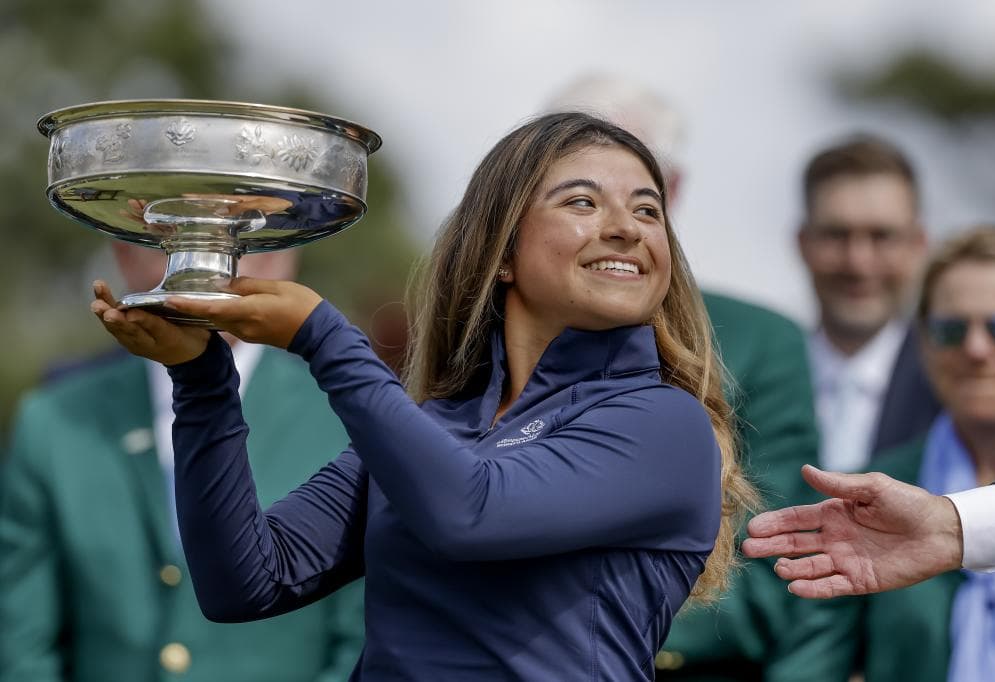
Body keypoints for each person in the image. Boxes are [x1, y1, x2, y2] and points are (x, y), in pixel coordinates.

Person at [89, 112, 758, 681]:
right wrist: (201, 380)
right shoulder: (435, 426)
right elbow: (246, 581)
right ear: (502, 253)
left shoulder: (663, 424)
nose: (627, 227)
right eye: (583, 202)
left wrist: (324, 338)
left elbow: (470, 512)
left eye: (648, 209)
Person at [548, 74, 821, 679]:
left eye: (634, 189)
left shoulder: (758, 344)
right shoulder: (483, 338)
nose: (608, 222)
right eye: (576, 191)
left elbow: (777, 546)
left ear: (671, 188)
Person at [0, 243, 364, 681]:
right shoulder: (54, 421)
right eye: (175, 240)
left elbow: (361, 641)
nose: (210, 270)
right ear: (123, 255)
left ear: (281, 257)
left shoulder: (343, 420)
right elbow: (22, 647)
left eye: (236, 241)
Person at [753, 226, 995, 680]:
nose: (977, 349)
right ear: (922, 341)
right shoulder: (874, 491)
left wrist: (950, 526)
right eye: (951, 329)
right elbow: (811, 663)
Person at [798, 135, 940, 472]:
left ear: (919, 245)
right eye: (836, 235)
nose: (859, 263)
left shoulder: (956, 385)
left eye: (882, 236)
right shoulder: (747, 386)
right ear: (803, 243)